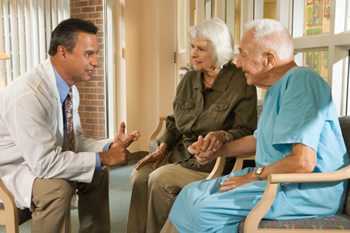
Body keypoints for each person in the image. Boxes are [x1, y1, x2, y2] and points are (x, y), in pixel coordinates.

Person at [163, 19, 349, 233]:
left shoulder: (302, 82)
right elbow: (258, 141)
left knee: (201, 210)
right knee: (190, 194)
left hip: (304, 190)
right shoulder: (275, 89)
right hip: (274, 181)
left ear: (268, 59)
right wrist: (215, 150)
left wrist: (255, 175)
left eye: (242, 54)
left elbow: (303, 162)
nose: (238, 63)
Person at [0, 18, 139, 233]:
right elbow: (44, 164)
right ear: (63, 52)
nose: (95, 61)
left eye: (96, 53)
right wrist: (103, 158)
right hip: (14, 169)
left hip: (40, 159)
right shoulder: (27, 95)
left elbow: (75, 140)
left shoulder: (69, 89)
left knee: (98, 172)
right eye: (89, 54)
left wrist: (107, 147)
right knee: (58, 188)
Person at [127, 17, 257, 233]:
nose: (193, 53)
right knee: (139, 176)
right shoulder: (189, 79)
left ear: (218, 50)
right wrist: (163, 146)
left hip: (213, 161)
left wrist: (221, 136)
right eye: (192, 47)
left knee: (159, 180)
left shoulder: (241, 82)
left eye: (201, 49)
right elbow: (175, 120)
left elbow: (245, 129)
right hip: (179, 154)